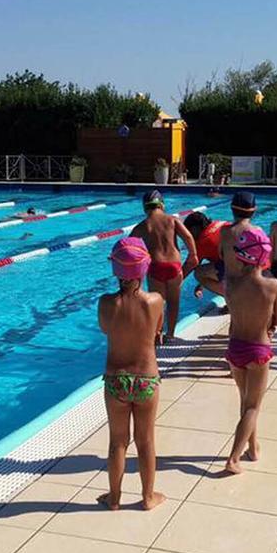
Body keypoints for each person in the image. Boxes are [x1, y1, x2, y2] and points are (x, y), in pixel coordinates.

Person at [97, 237, 166, 511]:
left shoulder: (105, 303)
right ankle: (148, 497)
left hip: (115, 380)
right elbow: (156, 330)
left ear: (115, 270)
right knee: (146, 440)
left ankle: (114, 497)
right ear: (144, 268)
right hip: (147, 379)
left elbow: (106, 330)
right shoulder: (155, 301)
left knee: (117, 441)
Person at [223, 227, 277, 475]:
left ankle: (253, 447)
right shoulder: (272, 286)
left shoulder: (231, 284)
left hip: (235, 348)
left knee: (245, 400)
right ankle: (233, 458)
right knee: (253, 406)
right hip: (258, 349)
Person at [130, 190, 198, 343]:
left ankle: (157, 333)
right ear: (162, 205)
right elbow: (187, 236)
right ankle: (171, 333)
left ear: (145, 208)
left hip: (155, 268)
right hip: (174, 266)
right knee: (174, 301)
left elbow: (128, 246)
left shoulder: (142, 226)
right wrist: (193, 254)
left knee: (158, 303)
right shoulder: (171, 220)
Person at [219, 191, 265, 308]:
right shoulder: (257, 231)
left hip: (231, 284)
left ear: (232, 209)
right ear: (254, 211)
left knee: (235, 322)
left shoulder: (224, 231)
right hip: (251, 284)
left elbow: (221, 254)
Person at [182, 211, 228, 299]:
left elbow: (190, 265)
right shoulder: (220, 223)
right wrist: (201, 286)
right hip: (252, 265)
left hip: (238, 272)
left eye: (188, 232)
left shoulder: (202, 241)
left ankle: (233, 299)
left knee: (198, 273)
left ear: (195, 229)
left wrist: (171, 285)